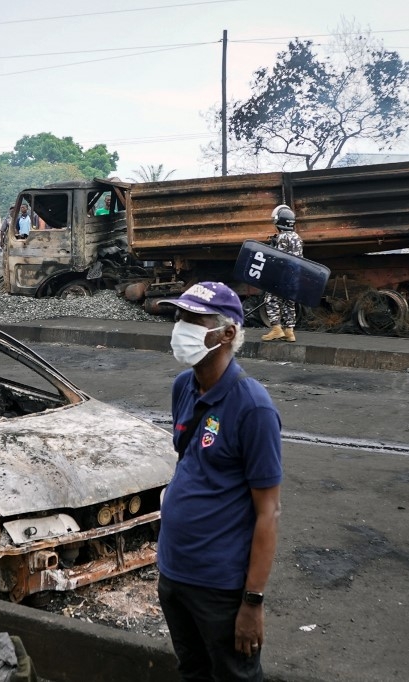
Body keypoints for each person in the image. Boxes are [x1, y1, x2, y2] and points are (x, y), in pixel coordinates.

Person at [157, 281, 283, 682]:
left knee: (234, 676)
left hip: (219, 586)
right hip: (174, 572)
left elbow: (268, 513)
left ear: (227, 333)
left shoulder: (254, 408)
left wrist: (253, 602)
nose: (181, 328)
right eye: (179, 318)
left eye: (194, 320)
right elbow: (191, 465)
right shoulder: (184, 387)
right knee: (192, 671)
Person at [261, 205, 304, 342]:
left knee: (271, 299)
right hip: (294, 277)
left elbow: (277, 258)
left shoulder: (281, 237)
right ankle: (289, 332)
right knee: (288, 303)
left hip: (282, 276)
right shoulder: (297, 237)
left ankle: (276, 329)